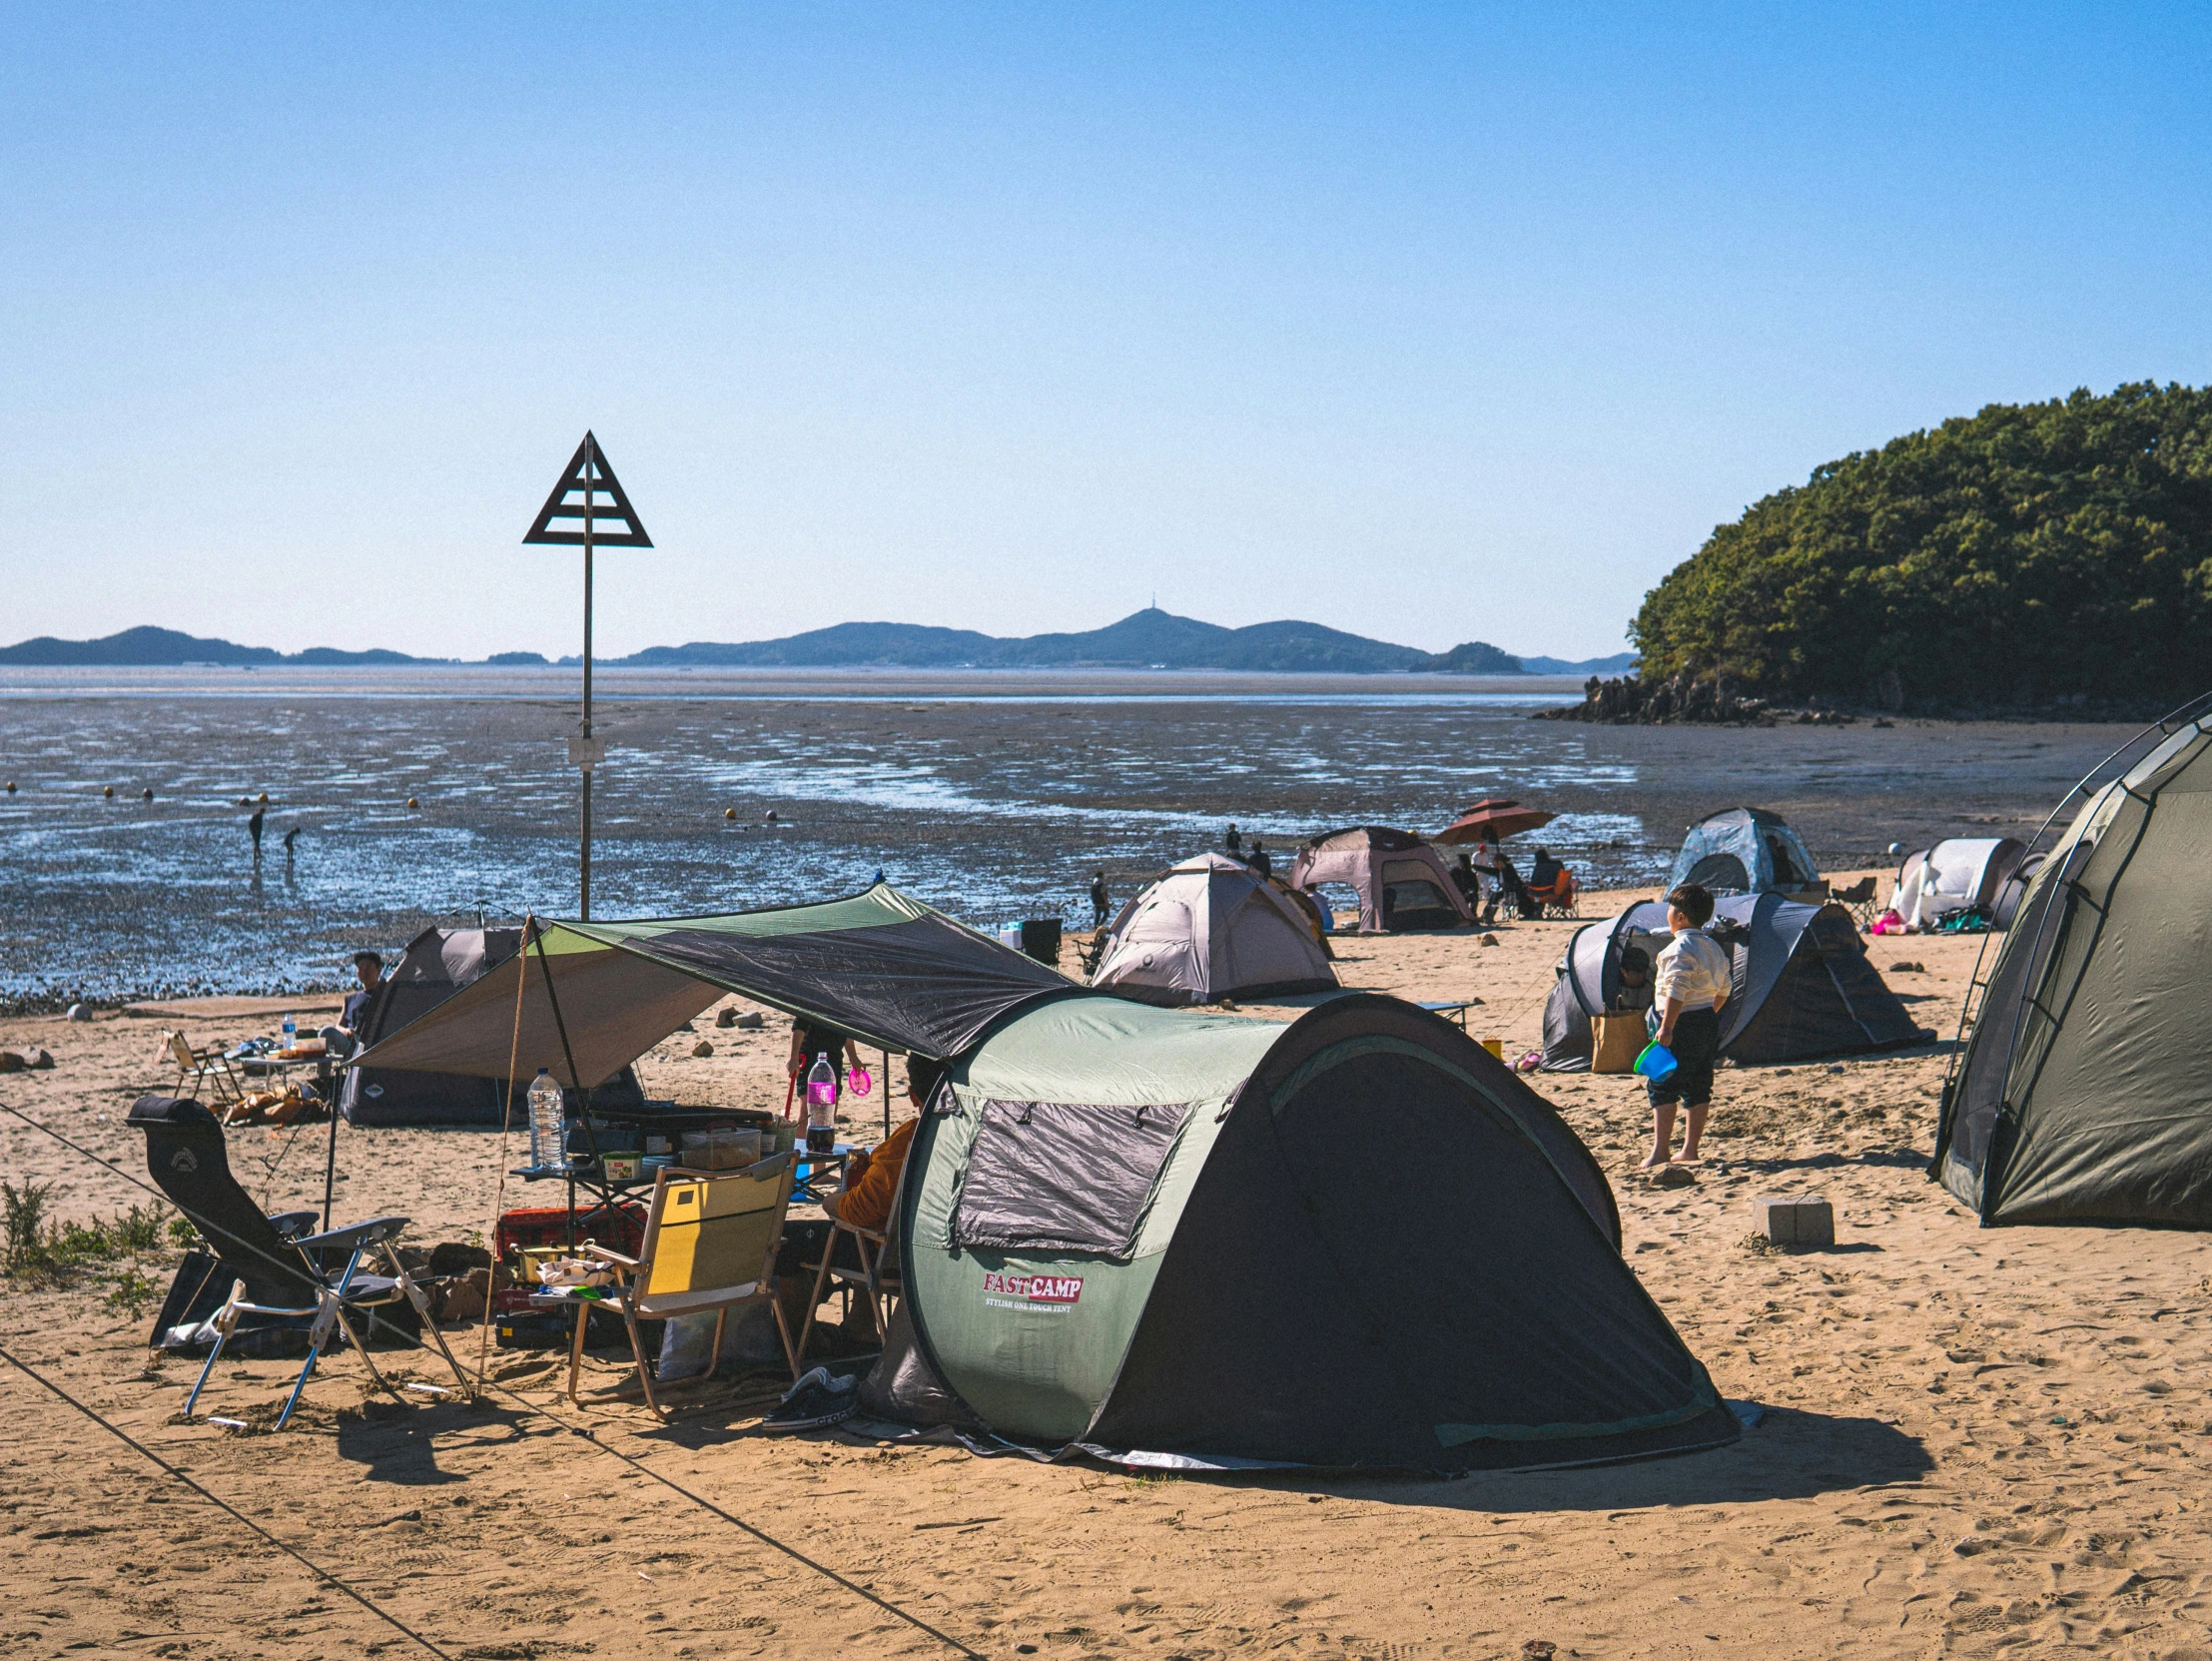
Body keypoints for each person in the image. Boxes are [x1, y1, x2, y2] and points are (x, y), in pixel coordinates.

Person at [1642, 883, 1731, 1169]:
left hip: (1681, 1022)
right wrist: (1709, 1013)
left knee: (1661, 1084)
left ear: (1680, 917)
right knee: (1699, 1083)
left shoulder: (1678, 948)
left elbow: (1676, 989)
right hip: (1706, 1019)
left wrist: (1667, 1027)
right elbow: (1725, 988)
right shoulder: (1714, 947)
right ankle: (1690, 1149)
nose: (1667, 914)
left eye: (1670, 909)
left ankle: (1660, 1151)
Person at [321, 950, 385, 1059]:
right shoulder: (350, 999)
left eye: (368, 967)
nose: (364, 971)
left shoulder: (384, 993)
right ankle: (324, 1075)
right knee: (326, 1032)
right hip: (351, 1046)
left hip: (374, 1046)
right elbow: (339, 1025)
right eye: (360, 968)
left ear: (379, 970)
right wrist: (346, 1031)